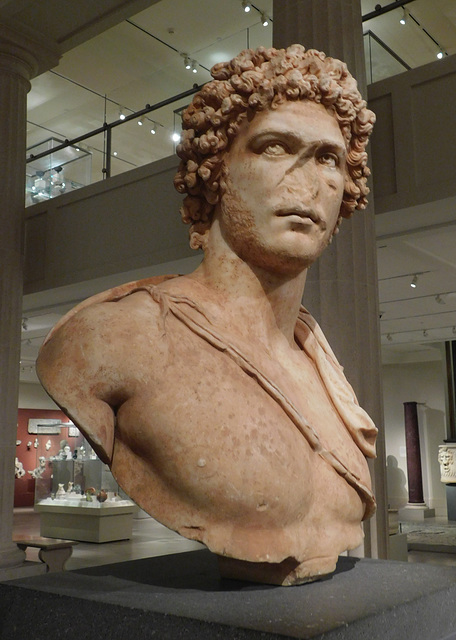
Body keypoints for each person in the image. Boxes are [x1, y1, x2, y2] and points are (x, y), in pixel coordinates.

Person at [37, 44, 377, 586]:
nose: (308, 180)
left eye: (328, 158)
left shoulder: (319, 364)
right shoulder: (113, 338)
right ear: (215, 172)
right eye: (273, 147)